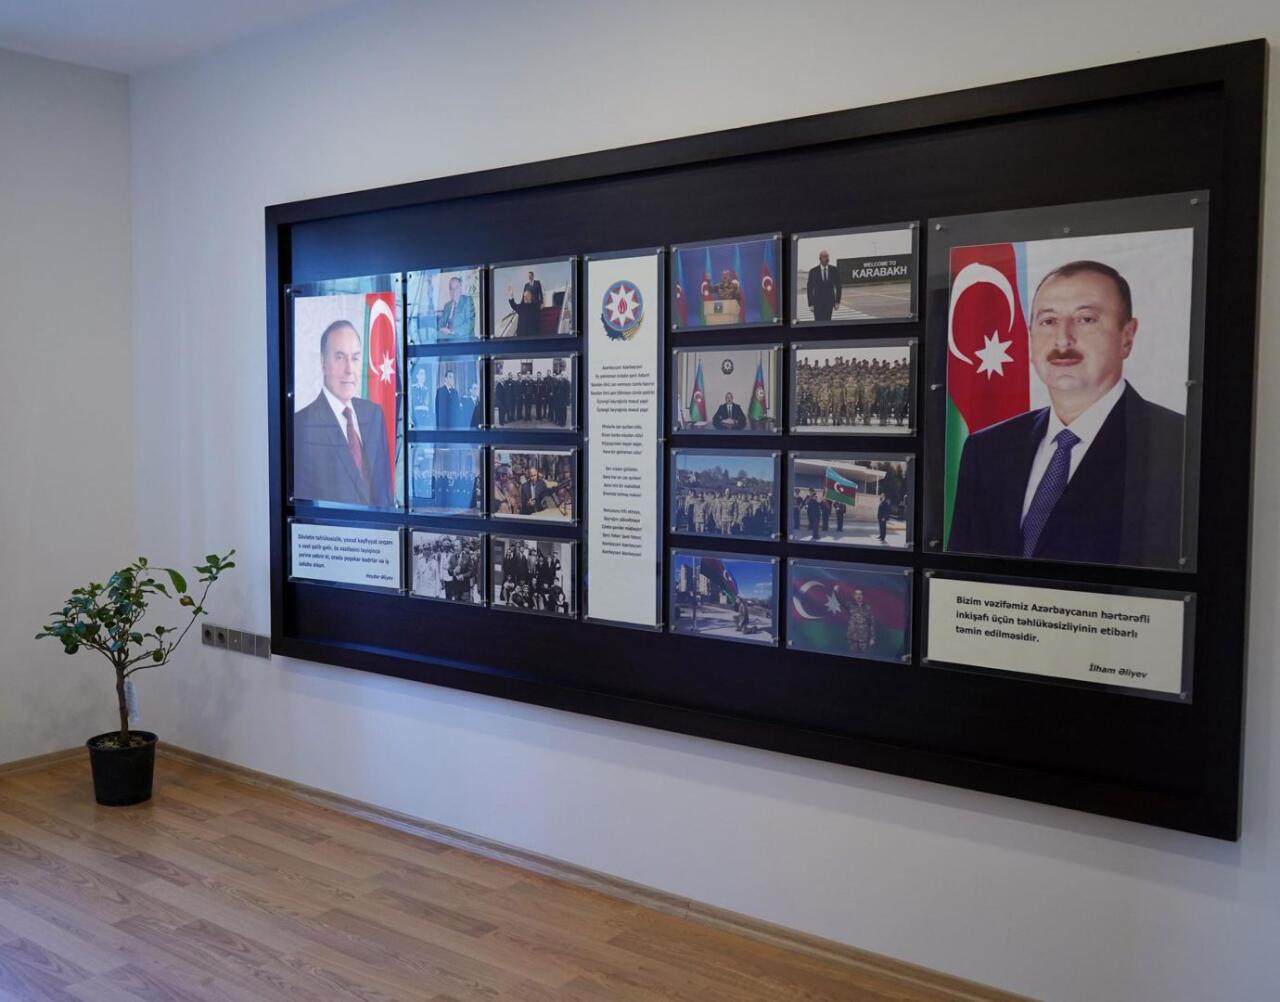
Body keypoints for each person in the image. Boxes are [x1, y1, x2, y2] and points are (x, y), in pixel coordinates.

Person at [948, 260, 1184, 566]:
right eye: (1048, 321)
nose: (1063, 339)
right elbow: (962, 574)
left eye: (1086, 319)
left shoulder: (1179, 446)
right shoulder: (987, 449)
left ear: (1127, 336)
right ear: (1030, 336)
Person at [293, 320, 393, 506]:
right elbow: (304, 507)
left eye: (355, 358)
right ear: (323, 363)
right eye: (340, 357)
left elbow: (384, 493)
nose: (349, 370)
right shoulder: (301, 426)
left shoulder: (374, 414)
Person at [806, 249, 842, 322]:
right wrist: (810, 304)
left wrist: (837, 302)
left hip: (829, 302)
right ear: (820, 258)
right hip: (817, 303)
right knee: (818, 322)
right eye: (825, 257)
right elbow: (809, 288)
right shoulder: (813, 271)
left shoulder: (834, 270)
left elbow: (838, 286)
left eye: (827, 256)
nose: (827, 258)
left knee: (828, 321)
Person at [846, 589, 877, 654]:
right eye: (856, 594)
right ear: (854, 596)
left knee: (864, 656)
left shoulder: (867, 607)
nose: (858, 596)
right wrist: (835, 591)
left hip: (864, 639)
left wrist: (872, 638)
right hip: (853, 638)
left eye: (860, 594)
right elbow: (841, 601)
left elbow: (871, 623)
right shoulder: (850, 605)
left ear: (862, 596)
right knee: (852, 656)